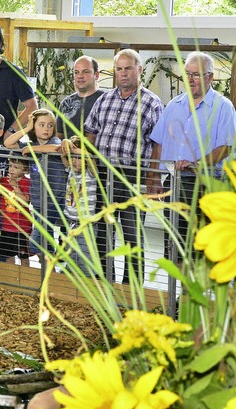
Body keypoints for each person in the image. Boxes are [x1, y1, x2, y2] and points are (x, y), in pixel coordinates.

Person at [83, 48, 164, 285]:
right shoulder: (105, 99)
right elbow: (91, 132)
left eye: (128, 68)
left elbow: (158, 144)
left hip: (132, 176)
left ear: (139, 70)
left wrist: (153, 178)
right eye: (119, 69)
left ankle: (132, 287)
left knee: (131, 234)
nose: (123, 73)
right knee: (102, 232)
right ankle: (104, 282)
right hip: (103, 175)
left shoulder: (152, 102)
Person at [147, 51, 236, 259]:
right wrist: (153, 176)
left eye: (196, 75)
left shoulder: (223, 108)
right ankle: (177, 291)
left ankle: (194, 290)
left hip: (205, 184)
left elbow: (225, 147)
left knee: (199, 246)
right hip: (174, 182)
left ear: (210, 77)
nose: (190, 80)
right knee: (174, 245)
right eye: (187, 74)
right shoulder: (173, 106)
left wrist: (194, 164)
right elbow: (158, 142)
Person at [5, 108, 66, 256]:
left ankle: (32, 250)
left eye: (50, 125)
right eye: (41, 125)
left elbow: (56, 148)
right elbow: (8, 142)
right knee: (46, 235)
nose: (46, 128)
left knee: (38, 235)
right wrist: (27, 128)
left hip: (53, 199)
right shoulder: (30, 144)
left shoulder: (53, 141)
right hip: (38, 199)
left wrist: (31, 149)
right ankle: (48, 264)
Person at [60, 136, 99, 275]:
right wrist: (66, 142)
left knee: (85, 259)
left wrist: (79, 150)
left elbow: (90, 158)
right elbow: (62, 152)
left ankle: (89, 284)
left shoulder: (90, 173)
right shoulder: (70, 170)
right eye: (73, 158)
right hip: (71, 223)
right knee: (71, 256)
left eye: (79, 157)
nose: (76, 162)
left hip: (85, 225)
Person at [56, 55, 105, 139]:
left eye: (85, 72)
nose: (80, 76)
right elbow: (58, 136)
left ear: (96, 75)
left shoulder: (106, 100)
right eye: (76, 72)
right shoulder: (66, 103)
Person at [0, 155, 32, 266]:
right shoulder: (3, 181)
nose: (11, 169)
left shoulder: (27, 182)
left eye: (16, 167)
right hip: (6, 227)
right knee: (8, 257)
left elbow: (25, 201)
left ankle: (26, 278)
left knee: (24, 257)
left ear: (25, 170)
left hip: (22, 228)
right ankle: (10, 279)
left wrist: (15, 187)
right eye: (10, 166)